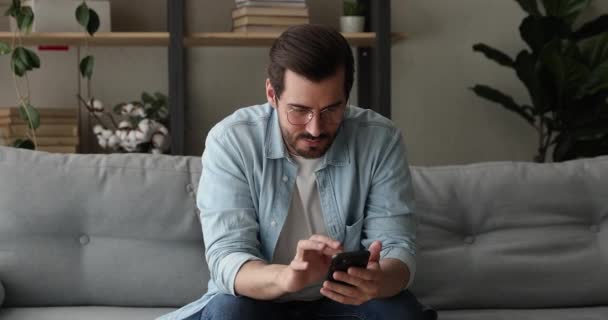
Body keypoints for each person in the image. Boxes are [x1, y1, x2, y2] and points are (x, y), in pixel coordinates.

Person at [158, 24, 435, 320]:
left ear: (347, 98)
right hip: (262, 297)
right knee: (230, 311)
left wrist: (378, 282)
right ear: (271, 94)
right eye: (299, 110)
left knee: (401, 313)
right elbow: (227, 257)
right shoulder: (231, 141)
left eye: (331, 109)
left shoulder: (380, 139)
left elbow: (397, 246)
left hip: (346, 300)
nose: (315, 128)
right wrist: (286, 278)